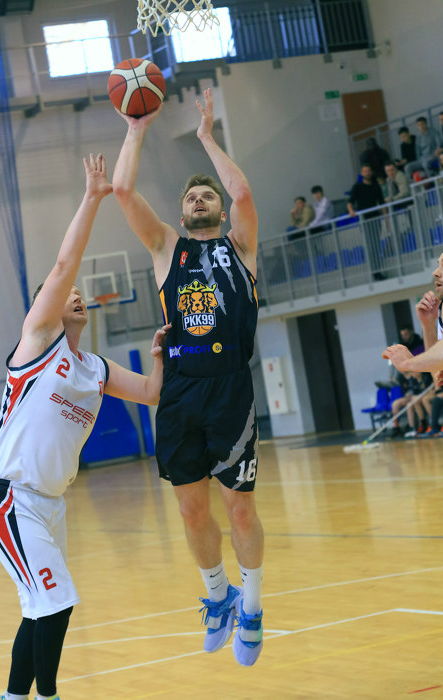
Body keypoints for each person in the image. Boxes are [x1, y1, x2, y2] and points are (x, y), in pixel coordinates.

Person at [0, 154, 169, 700]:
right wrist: (92, 197)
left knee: (40, 607)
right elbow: (66, 261)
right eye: (63, 291)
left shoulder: (94, 369)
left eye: (76, 291)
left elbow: (151, 394)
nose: (75, 293)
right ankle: (47, 696)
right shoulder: (36, 342)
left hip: (50, 503)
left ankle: (14, 697)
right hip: (8, 495)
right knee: (58, 601)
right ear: (45, 306)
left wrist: (159, 356)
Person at [112, 88, 264, 667]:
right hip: (180, 390)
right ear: (180, 215)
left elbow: (243, 192)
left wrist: (206, 137)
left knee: (240, 509)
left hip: (229, 388)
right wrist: (136, 129)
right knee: (191, 511)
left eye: (208, 195)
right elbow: (122, 191)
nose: (200, 199)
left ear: (219, 210)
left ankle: (252, 607)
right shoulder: (165, 248)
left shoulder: (240, 246)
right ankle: (219, 596)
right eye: (191, 196)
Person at [382, 240, 443, 544]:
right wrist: (428, 325)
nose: (437, 272)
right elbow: (441, 373)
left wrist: (408, 362)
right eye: (438, 265)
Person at [347, 164, 386, 280]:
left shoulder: (375, 186)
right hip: (365, 220)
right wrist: (351, 211)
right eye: (365, 171)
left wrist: (386, 217)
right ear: (361, 173)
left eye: (368, 171)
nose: (367, 173)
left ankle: (378, 270)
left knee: (376, 245)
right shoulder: (357, 187)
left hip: (375, 218)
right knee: (370, 246)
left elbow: (382, 202)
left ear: (371, 172)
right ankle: (375, 272)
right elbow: (350, 202)